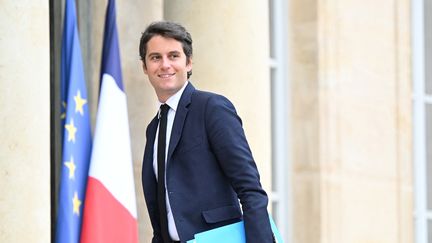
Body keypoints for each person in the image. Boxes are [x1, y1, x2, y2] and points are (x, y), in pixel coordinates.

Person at [139, 21, 275, 243]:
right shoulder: (153, 128)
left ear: (189, 62)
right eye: (155, 57)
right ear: (145, 67)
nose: (165, 65)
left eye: (173, 56)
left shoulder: (211, 108)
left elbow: (251, 190)